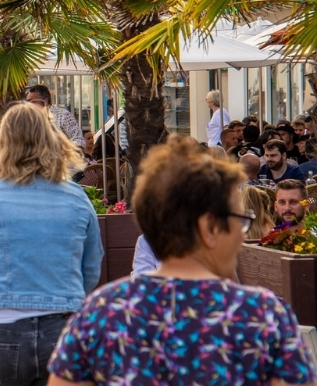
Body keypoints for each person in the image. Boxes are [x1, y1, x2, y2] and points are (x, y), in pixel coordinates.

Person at [47, 136, 317, 386]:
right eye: (240, 221)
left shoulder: (101, 312)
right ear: (209, 228)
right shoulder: (261, 316)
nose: (240, 236)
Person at [0, 102, 102, 386]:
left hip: (1, 324)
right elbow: (92, 264)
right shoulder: (75, 197)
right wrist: (71, 296)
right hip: (62, 323)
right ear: (52, 139)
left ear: (3, 142)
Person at [24, 84, 86, 149]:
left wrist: (64, 153)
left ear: (45, 100)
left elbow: (79, 141)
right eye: (27, 102)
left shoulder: (63, 115)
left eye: (32, 101)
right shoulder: (30, 118)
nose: (29, 105)